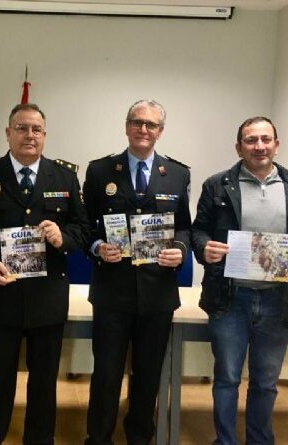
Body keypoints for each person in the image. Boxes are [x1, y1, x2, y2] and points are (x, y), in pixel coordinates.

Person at [0, 103, 90, 444]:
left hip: (47, 299)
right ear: (8, 133)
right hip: (0, 294)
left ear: (45, 135)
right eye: (21, 128)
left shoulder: (64, 176)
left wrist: (63, 237)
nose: (29, 135)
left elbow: (82, 229)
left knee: (44, 382)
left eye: (36, 129)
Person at [191, 116, 288, 445]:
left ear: (276, 145)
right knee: (227, 378)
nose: (259, 146)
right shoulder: (217, 185)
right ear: (239, 147)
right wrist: (204, 247)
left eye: (265, 139)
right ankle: (225, 441)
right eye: (251, 140)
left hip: (278, 299)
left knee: (265, 382)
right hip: (230, 298)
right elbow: (198, 230)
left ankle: (260, 441)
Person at [83, 99, 192, 445]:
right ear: (127, 126)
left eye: (151, 124)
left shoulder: (178, 174)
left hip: (158, 293)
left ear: (160, 131)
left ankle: (139, 438)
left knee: (147, 377)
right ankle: (98, 439)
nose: (143, 129)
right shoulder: (100, 171)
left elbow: (184, 226)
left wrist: (181, 249)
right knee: (106, 375)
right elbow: (84, 225)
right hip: (112, 291)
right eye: (137, 122)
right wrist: (97, 246)